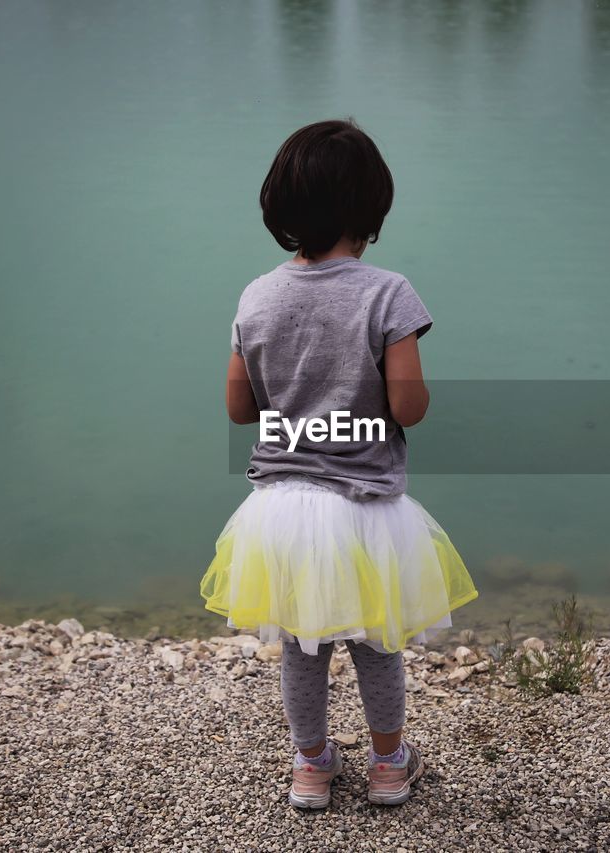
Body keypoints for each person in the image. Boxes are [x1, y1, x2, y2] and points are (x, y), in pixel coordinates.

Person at [200, 118, 479, 810]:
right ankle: (388, 765)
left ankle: (312, 766)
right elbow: (408, 407)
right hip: (364, 505)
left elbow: (239, 409)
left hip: (284, 508)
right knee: (377, 642)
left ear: (281, 208)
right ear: (371, 209)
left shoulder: (256, 296)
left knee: (303, 643)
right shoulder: (388, 294)